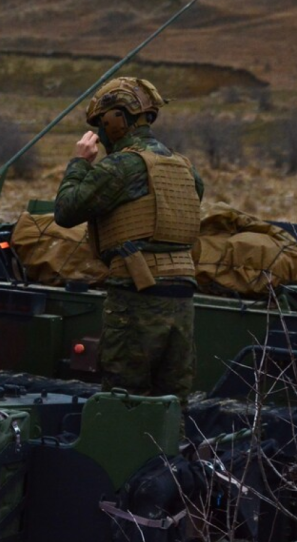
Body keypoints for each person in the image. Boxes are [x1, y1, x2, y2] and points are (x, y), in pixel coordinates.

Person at [54, 77, 204, 407]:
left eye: (101, 123)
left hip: (136, 300)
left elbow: (65, 210)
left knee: (125, 402)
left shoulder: (122, 166)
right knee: (171, 406)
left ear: (116, 120)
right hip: (182, 299)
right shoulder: (184, 167)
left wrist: (80, 162)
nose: (102, 131)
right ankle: (167, 460)